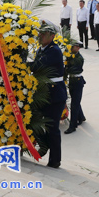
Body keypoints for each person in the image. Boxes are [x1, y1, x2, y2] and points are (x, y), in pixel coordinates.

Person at [29, 22, 66, 167]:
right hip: (43, 93)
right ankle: (44, 144)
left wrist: (19, 65)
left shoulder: (54, 51)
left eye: (44, 34)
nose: (40, 36)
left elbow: (37, 66)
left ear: (52, 36)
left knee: (53, 128)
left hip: (54, 95)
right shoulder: (42, 49)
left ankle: (55, 160)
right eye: (40, 33)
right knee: (32, 118)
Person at [64, 40, 86, 134]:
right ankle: (81, 117)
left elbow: (74, 70)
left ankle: (72, 126)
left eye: (73, 46)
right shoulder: (70, 55)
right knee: (75, 100)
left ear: (78, 48)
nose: (71, 48)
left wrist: (66, 68)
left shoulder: (79, 58)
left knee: (74, 104)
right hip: (72, 81)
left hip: (77, 81)